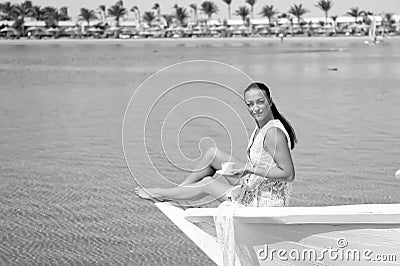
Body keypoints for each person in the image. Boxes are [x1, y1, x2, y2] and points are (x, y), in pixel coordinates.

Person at [135, 82, 297, 207]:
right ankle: (178, 193)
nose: (255, 108)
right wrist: (246, 171)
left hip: (263, 201)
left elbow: (288, 174)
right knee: (212, 154)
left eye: (260, 102)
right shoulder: (262, 126)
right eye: (250, 104)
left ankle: (163, 194)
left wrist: (248, 169)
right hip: (254, 184)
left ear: (269, 101)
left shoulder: (273, 133)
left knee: (207, 183)